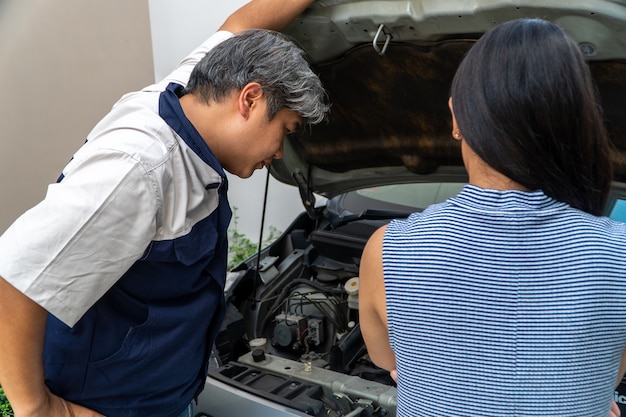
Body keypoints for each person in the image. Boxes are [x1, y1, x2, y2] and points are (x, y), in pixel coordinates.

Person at [0, 0, 328, 416]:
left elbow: (242, 24)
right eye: (284, 131)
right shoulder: (140, 170)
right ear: (249, 100)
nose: (280, 153)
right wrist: (37, 408)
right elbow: (13, 274)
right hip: (108, 404)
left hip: (165, 393)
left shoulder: (197, 88)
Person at [359, 18, 626, 417]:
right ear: (575, 121)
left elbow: (386, 361)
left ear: (455, 117)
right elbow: (609, 372)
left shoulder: (386, 253)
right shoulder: (619, 256)